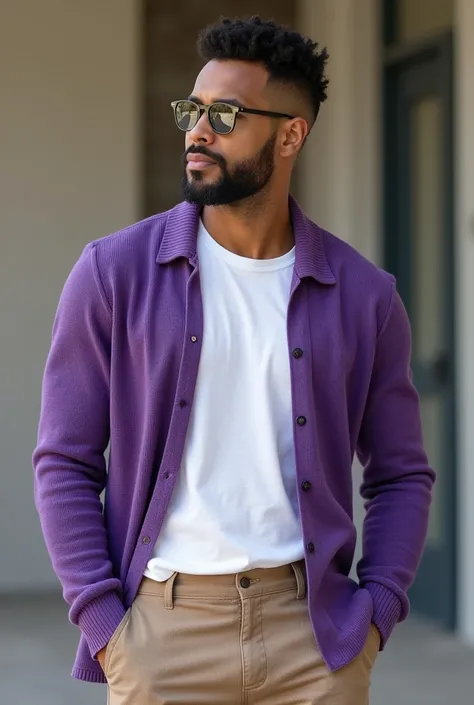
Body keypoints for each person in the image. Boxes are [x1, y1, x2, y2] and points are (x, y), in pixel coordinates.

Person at [33, 15, 435, 705]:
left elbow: (401, 474)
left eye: (224, 114)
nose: (198, 129)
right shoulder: (113, 275)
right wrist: (106, 624)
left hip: (317, 640)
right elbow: (64, 460)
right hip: (164, 633)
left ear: (289, 134)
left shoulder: (365, 296)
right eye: (193, 109)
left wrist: (377, 611)